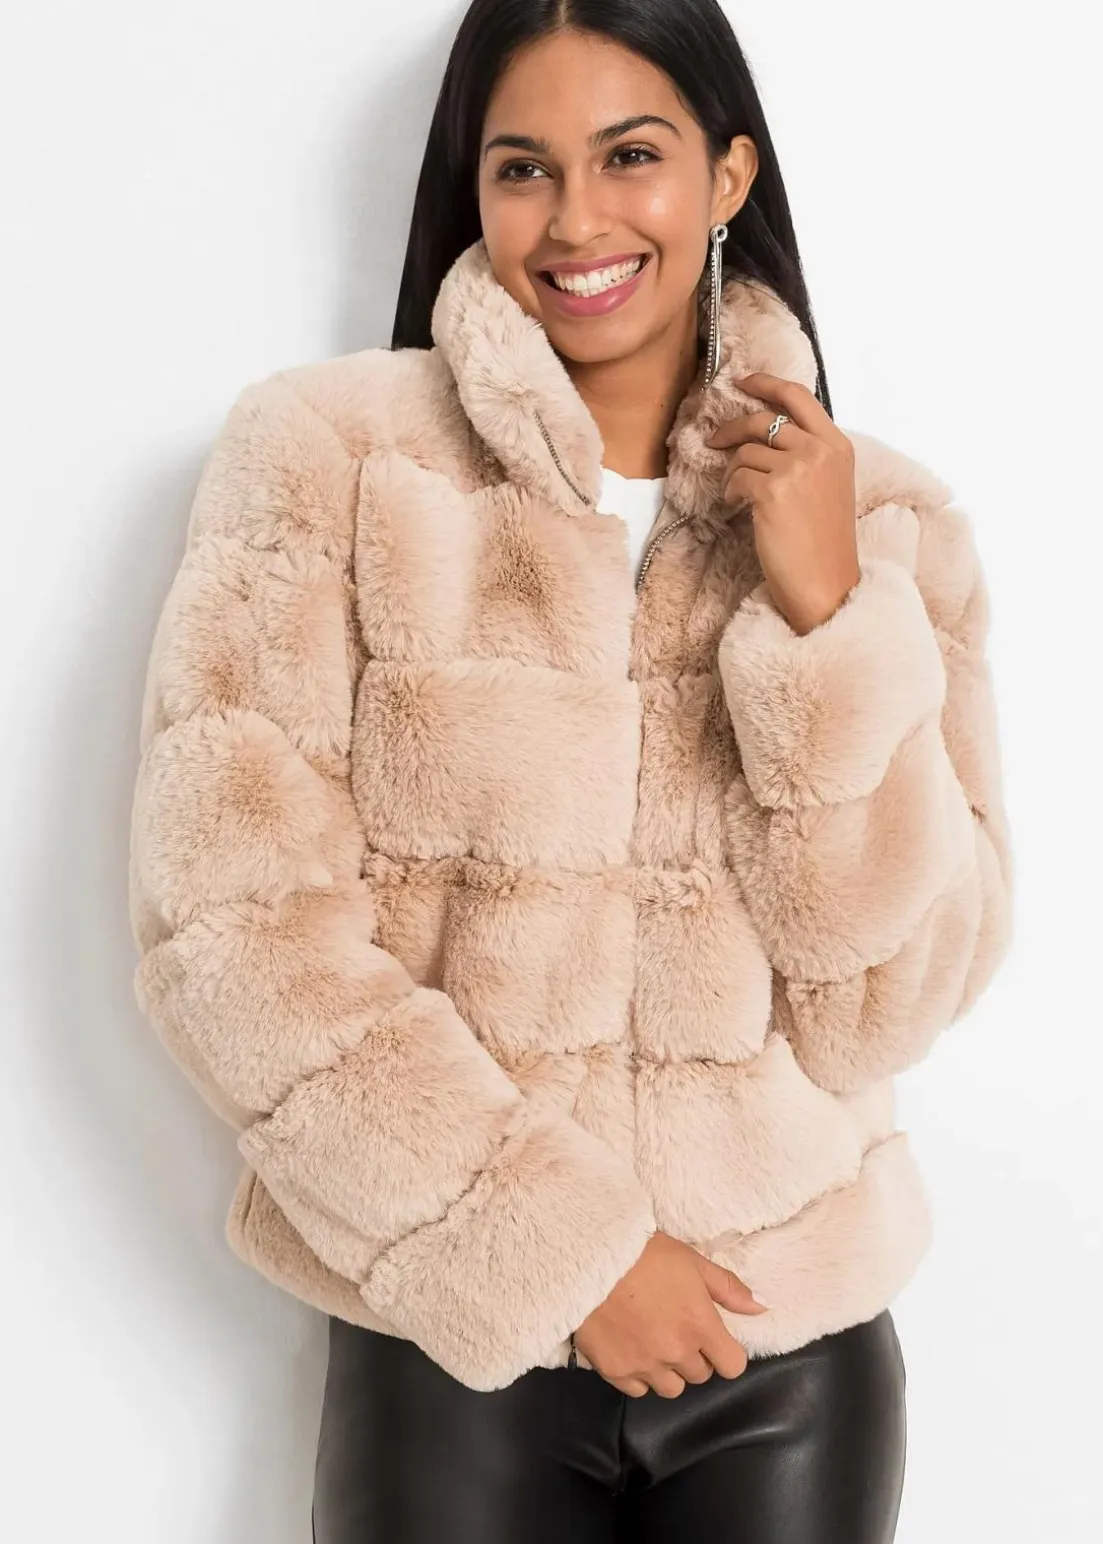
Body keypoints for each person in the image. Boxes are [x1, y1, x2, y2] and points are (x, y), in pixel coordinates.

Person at [127, 1, 1012, 1540]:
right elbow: (232, 935)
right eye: (523, 167)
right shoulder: (327, 460)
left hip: (786, 1354)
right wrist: (559, 1254)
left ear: (727, 176)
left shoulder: (887, 527)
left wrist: (826, 618)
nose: (577, 220)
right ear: (468, 188)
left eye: (630, 156)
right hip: (451, 1337)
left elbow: (889, 1003)